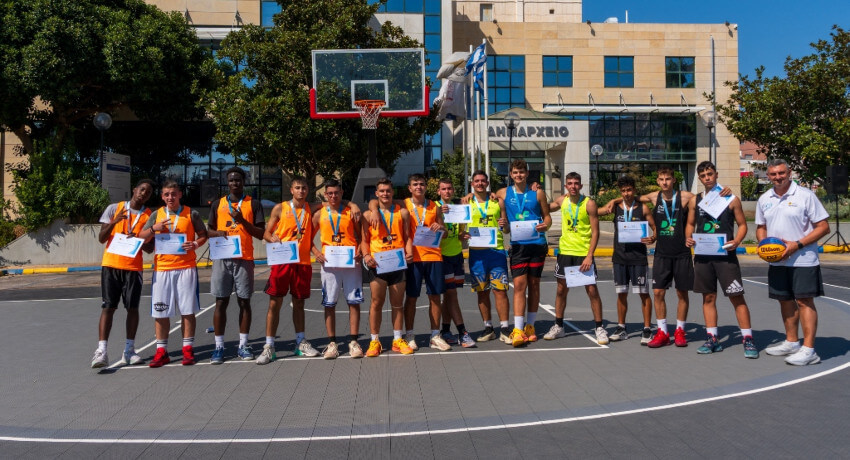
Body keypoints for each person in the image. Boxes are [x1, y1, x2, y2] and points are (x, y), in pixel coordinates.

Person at [757, 159, 829, 365]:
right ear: (768, 176)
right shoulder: (765, 199)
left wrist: (797, 245)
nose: (777, 177)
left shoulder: (806, 196)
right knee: (785, 300)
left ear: (789, 173)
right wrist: (763, 245)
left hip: (803, 260)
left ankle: (809, 350)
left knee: (804, 301)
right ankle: (791, 342)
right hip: (778, 261)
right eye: (773, 174)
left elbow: (823, 227)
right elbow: (761, 226)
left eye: (781, 173)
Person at [686, 161, 758, 358]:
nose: (707, 177)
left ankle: (748, 338)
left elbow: (742, 224)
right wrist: (688, 237)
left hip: (726, 255)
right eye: (703, 175)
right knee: (708, 297)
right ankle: (712, 338)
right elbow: (690, 223)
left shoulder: (731, 198)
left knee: (736, 297)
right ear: (699, 179)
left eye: (710, 174)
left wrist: (738, 240)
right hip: (702, 256)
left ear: (716, 174)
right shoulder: (695, 200)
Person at [139, 180, 208, 367]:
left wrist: (195, 244)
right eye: (167, 194)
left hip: (186, 268)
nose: (170, 197)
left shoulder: (191, 213)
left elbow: (203, 235)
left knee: (187, 310)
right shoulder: (156, 215)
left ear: (180, 194)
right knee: (161, 311)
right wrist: (154, 229)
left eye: (174, 194)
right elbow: (141, 237)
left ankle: (187, 349)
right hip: (162, 269)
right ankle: (161, 351)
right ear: (162, 196)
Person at [90, 179, 154, 368]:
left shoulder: (149, 215)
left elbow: (150, 249)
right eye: (142, 189)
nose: (144, 193)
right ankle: (101, 351)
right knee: (108, 307)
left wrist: (140, 237)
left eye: (148, 193)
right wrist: (114, 222)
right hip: (111, 265)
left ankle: (129, 350)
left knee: (132, 308)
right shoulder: (114, 208)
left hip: (133, 267)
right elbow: (102, 238)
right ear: (134, 189)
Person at [257, 177, 320, 364]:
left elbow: (333, 201)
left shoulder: (311, 208)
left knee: (299, 303)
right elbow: (266, 233)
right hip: (282, 261)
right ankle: (269, 346)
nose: (301, 191)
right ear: (291, 190)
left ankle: (300, 342)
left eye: (304, 188)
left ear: (308, 190)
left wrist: (354, 206)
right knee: (274, 303)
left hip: (302, 264)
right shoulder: (280, 208)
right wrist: (272, 238)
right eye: (297, 188)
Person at [206, 167, 265, 364]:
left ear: (244, 181)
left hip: (244, 258)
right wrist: (217, 233)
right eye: (231, 180)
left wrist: (242, 221)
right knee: (221, 302)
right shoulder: (217, 204)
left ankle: (243, 344)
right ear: (227, 182)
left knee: (244, 301)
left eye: (238, 180)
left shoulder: (253, 203)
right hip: (223, 258)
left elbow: (259, 233)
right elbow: (209, 230)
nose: (235, 183)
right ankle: (219, 347)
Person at [545, 172, 609, 345]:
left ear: (581, 185)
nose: (573, 186)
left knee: (592, 291)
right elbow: (545, 206)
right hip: (565, 252)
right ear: (566, 186)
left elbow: (596, 232)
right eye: (570, 183)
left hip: (583, 253)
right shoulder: (562, 200)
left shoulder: (589, 204)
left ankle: (599, 327)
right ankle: (559, 326)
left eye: (576, 183)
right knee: (561, 290)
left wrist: (590, 256)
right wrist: (537, 191)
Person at [496, 159, 552, 345]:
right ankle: (518, 329)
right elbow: (487, 198)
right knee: (519, 285)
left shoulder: (538, 193)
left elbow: (547, 217)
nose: (518, 175)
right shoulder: (503, 193)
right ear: (510, 174)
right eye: (515, 172)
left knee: (534, 285)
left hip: (537, 244)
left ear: (527, 174)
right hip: (518, 246)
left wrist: (546, 226)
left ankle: (530, 325)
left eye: (522, 172)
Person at [641, 167, 696, 348]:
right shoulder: (653, 197)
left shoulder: (686, 197)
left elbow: (707, 198)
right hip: (662, 254)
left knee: (682, 293)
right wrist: (614, 201)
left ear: (674, 180)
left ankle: (680, 330)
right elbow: (630, 198)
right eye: (661, 179)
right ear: (657, 181)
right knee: (658, 293)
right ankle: (663, 331)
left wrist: (723, 190)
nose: (664, 182)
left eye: (668, 179)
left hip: (682, 253)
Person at [598, 175, 656, 344]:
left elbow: (655, 228)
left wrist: (653, 238)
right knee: (621, 294)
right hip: (620, 258)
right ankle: (621, 327)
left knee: (643, 294)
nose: (626, 193)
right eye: (623, 191)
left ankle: (646, 329)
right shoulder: (616, 208)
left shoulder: (643, 208)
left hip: (638, 258)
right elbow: (595, 210)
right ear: (620, 192)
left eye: (629, 190)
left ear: (634, 190)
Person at [361, 178, 414, 357]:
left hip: (397, 263)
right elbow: (364, 240)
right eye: (381, 191)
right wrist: (367, 255)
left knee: (397, 304)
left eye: (388, 191)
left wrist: (408, 251)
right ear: (376, 194)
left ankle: (397, 339)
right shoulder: (368, 215)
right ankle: (375, 341)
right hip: (378, 263)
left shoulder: (403, 213)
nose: (385, 194)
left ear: (393, 192)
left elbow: (407, 236)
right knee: (376, 303)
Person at [312, 179, 365, 359]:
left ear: (342, 193)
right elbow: (306, 239)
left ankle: (353, 341)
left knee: (354, 302)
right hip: (330, 264)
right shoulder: (319, 214)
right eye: (330, 193)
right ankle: (332, 343)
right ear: (325, 195)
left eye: (337, 193)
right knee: (330, 303)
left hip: (351, 263)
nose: (333, 196)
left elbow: (362, 234)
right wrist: (316, 252)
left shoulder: (351, 212)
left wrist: (360, 248)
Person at [401, 174, 451, 351]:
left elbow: (444, 232)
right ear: (410, 188)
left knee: (435, 297)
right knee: (412, 298)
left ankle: (435, 335)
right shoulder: (403, 205)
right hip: (413, 258)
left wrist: (441, 228)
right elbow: (377, 203)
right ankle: (409, 335)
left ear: (426, 187)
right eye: (415, 184)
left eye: (422, 184)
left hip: (433, 256)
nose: (419, 187)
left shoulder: (434, 207)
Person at [463, 170, 513, 344]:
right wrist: (464, 236)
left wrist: (505, 225)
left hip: (497, 252)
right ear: (472, 184)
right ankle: (488, 328)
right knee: (482, 292)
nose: (480, 184)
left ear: (488, 183)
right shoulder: (466, 202)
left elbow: (506, 229)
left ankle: (505, 329)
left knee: (500, 291)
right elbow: (462, 230)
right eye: (476, 181)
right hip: (477, 253)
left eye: (483, 181)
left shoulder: (497, 202)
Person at [436, 178, 476, 348]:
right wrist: (439, 214)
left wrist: (463, 236)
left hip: (456, 255)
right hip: (441, 256)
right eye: (443, 189)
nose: (447, 191)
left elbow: (459, 233)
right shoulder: (434, 208)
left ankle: (445, 330)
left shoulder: (458, 209)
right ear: (438, 191)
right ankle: (462, 332)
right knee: (451, 295)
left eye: (449, 189)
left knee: (449, 295)